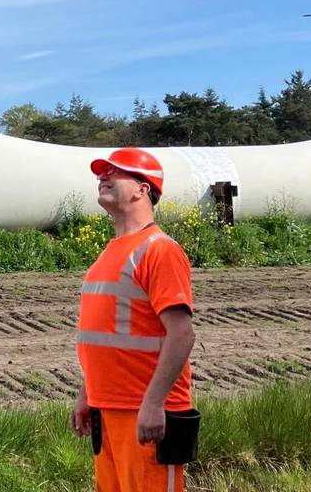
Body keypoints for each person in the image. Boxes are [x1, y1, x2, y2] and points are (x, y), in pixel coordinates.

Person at [70, 148, 197, 492]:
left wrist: (155, 403)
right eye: (101, 173)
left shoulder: (160, 250)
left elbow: (182, 334)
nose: (103, 177)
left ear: (143, 189)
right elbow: (103, 336)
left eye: (115, 172)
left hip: (145, 414)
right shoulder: (111, 251)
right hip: (107, 411)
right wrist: (87, 395)